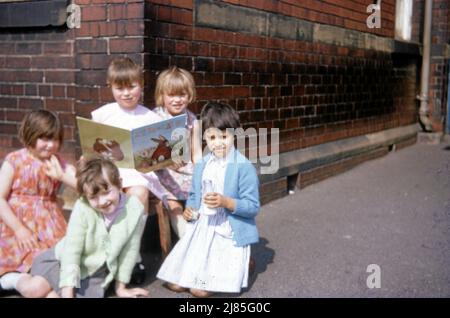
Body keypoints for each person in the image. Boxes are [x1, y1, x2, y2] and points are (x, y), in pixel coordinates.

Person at [157, 101, 260, 297]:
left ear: (234, 134)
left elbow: (253, 206)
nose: (218, 143)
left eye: (224, 136)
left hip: (228, 230)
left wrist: (226, 202)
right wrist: (190, 211)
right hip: (204, 226)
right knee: (176, 284)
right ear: (205, 137)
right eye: (212, 137)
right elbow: (195, 195)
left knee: (199, 290)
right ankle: (213, 270)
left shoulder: (243, 166)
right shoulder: (203, 164)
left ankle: (242, 264)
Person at [24, 157, 149, 298]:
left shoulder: (134, 208)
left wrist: (121, 288)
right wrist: (67, 292)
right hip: (63, 261)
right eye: (94, 197)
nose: (102, 201)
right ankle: (12, 279)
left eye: (106, 192)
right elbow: (72, 250)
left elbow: (130, 250)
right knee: (33, 289)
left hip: (96, 272)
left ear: (119, 184)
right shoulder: (83, 207)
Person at [0, 109, 76, 295]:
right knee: (26, 263)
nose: (50, 145)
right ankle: (11, 279)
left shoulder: (56, 162)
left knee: (51, 269)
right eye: (44, 139)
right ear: (30, 135)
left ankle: (25, 283)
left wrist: (60, 176)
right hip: (16, 226)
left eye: (55, 140)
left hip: (50, 226)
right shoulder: (15, 160)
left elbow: (83, 185)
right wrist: (19, 229)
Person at [152, 66, 200, 251]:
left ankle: (199, 233)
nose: (177, 99)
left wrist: (200, 172)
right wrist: (167, 160)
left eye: (182, 95)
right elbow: (147, 153)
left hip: (186, 171)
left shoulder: (192, 119)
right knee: (173, 205)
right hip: (163, 172)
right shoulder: (155, 118)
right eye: (171, 95)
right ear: (162, 95)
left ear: (189, 95)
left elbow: (196, 153)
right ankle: (188, 241)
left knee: (199, 198)